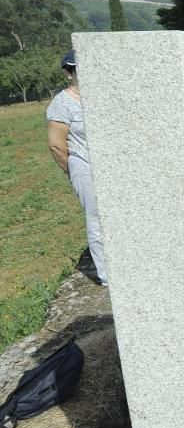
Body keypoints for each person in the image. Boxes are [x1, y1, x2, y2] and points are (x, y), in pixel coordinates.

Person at [46, 50, 108, 285]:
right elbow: (56, 145)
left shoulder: (98, 97)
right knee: (96, 218)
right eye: (76, 69)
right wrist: (73, 171)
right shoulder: (62, 104)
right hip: (83, 165)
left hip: (106, 166)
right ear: (68, 74)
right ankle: (106, 273)